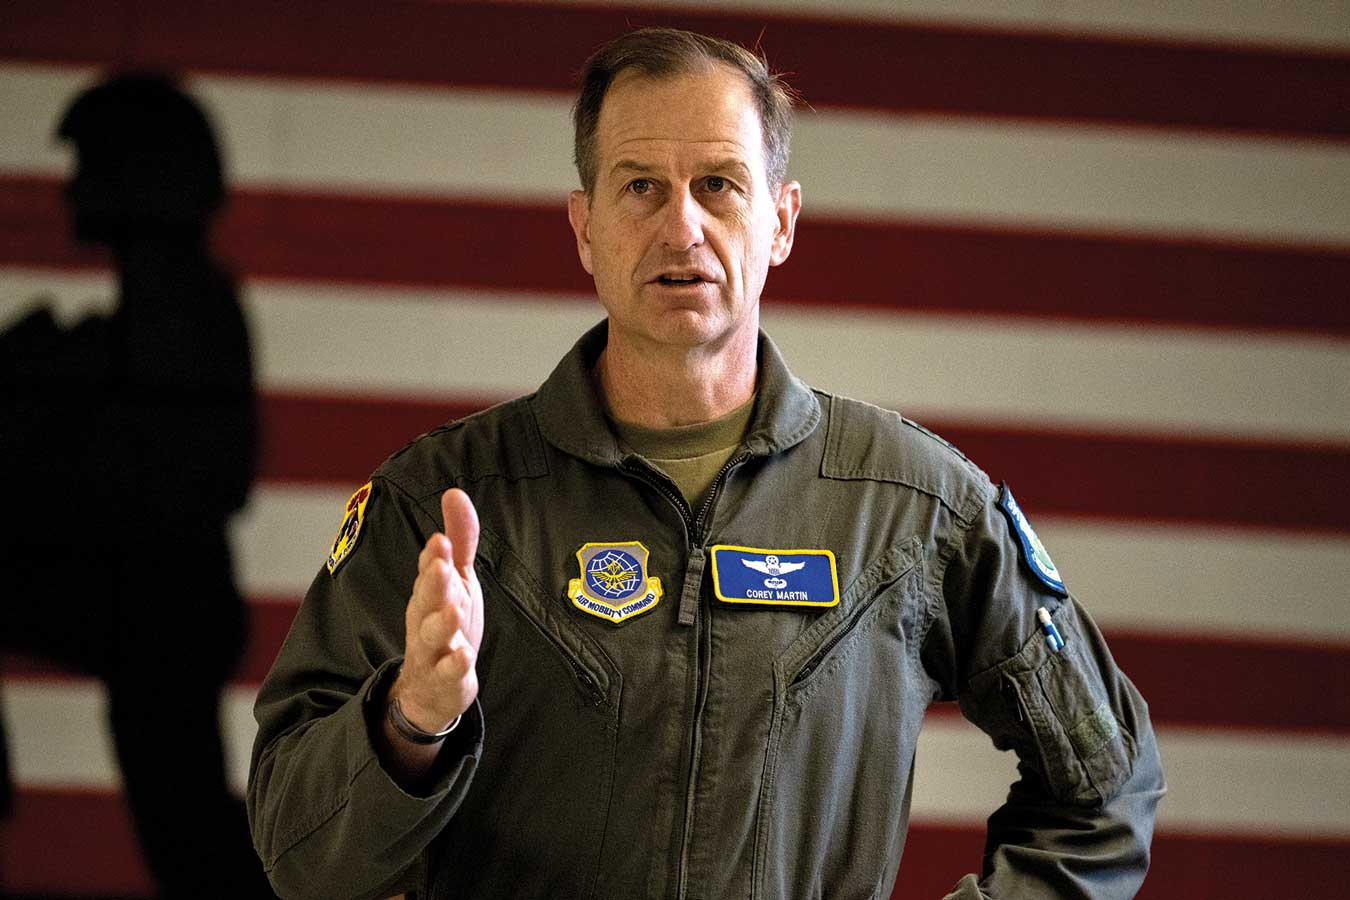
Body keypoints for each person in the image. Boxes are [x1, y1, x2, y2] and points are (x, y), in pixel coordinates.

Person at [248, 28, 1164, 900]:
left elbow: (1104, 785)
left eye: (719, 185)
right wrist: (410, 721)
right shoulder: (443, 506)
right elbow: (296, 851)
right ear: (585, 227)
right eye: (640, 186)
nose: (680, 226)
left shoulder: (912, 509)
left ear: (782, 222)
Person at [0, 74, 274, 899]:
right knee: (186, 831)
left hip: (159, 607)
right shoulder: (169, 304)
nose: (73, 186)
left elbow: (181, 473)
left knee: (188, 840)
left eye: (92, 164)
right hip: (150, 604)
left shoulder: (181, 308)